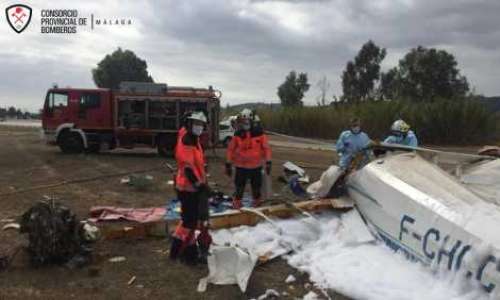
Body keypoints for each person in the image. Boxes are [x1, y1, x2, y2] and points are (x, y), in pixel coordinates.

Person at [170, 111, 212, 264]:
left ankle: (189, 251)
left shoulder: (193, 139)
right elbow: (188, 169)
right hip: (188, 188)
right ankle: (177, 251)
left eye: (201, 124)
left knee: (189, 220)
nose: (199, 127)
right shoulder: (187, 141)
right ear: (189, 124)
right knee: (189, 222)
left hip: (193, 186)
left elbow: (196, 165)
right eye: (196, 124)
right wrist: (199, 186)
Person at [226, 109, 272, 209]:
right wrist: (228, 164)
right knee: (239, 188)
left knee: (256, 188)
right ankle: (237, 204)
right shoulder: (238, 134)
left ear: (251, 121)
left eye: (247, 121)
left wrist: (268, 162)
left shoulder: (260, 134)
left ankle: (257, 204)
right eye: (243, 121)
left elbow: (266, 148)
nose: (245, 123)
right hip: (240, 167)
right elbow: (230, 149)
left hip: (256, 167)